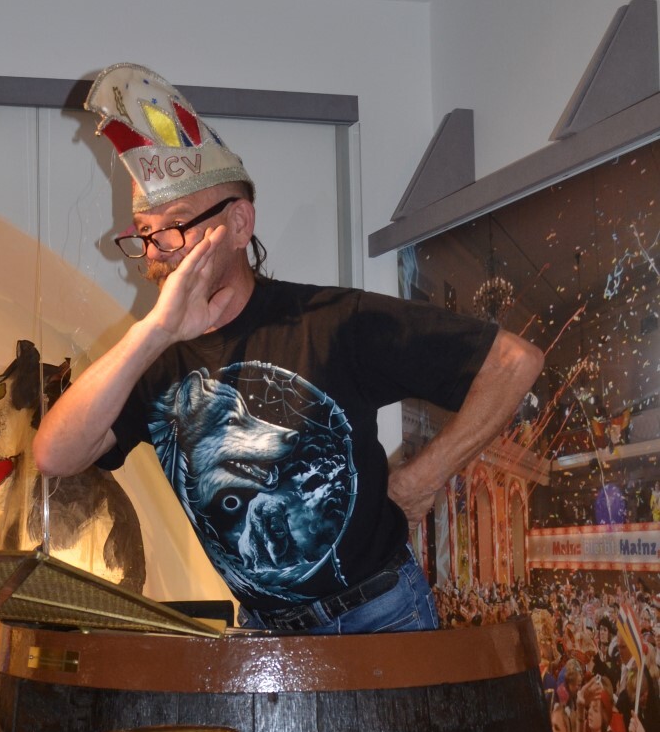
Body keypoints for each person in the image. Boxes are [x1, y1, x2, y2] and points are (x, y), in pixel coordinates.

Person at [34, 63, 544, 633]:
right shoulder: (154, 362)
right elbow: (55, 455)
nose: (157, 252)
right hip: (265, 631)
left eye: (175, 225)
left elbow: (513, 363)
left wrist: (423, 479)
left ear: (238, 223)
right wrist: (153, 331)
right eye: (145, 233)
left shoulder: (330, 322)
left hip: (378, 616)